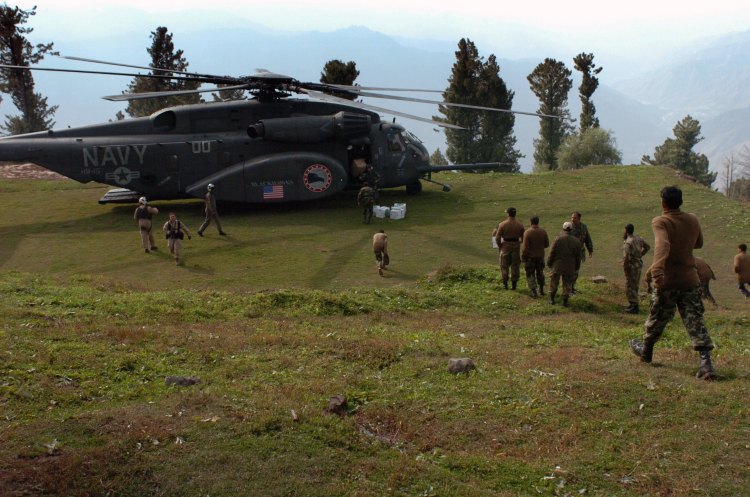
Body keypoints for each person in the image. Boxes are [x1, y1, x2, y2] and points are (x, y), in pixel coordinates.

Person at [629, 186, 716, 380]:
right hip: (690, 279)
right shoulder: (692, 219)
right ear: (681, 201)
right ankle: (706, 363)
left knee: (658, 316)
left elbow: (662, 245)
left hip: (668, 280)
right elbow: (699, 243)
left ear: (663, 203)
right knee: (695, 320)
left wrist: (657, 271)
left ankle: (646, 352)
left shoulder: (661, 221)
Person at [546, 221, 582, 307]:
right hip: (570, 266)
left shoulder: (558, 239)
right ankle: (565, 302)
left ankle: (551, 299)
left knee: (554, 282)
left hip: (557, 265)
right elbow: (578, 256)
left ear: (563, 229)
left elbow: (552, 252)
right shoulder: (576, 241)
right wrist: (577, 267)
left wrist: (549, 262)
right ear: (571, 230)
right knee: (567, 284)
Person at [493, 207, 525, 290]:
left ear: (508, 214)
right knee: (515, 266)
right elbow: (523, 237)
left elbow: (497, 237)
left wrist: (500, 245)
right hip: (516, 247)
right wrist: (519, 243)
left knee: (504, 266)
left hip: (505, 246)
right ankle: (514, 285)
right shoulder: (520, 224)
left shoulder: (502, 224)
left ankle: (505, 284)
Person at [622, 223, 651, 314]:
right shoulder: (639, 238)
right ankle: (632, 304)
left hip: (631, 266)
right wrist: (640, 255)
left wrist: (625, 266)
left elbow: (626, 257)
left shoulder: (628, 242)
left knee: (630, 285)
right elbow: (647, 247)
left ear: (626, 230)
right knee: (635, 284)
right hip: (638, 264)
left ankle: (634, 306)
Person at [520, 215, 549, 298]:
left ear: (530, 222)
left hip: (530, 257)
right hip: (540, 256)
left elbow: (525, 248)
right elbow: (546, 244)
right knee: (540, 273)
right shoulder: (543, 231)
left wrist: (523, 257)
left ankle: (533, 291)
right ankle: (542, 289)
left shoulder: (527, 232)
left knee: (530, 274)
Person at [569, 211, 593, 294]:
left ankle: (572, 287)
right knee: (570, 271)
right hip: (570, 253)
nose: (572, 219)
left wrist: (590, 249)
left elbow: (587, 238)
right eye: (572, 217)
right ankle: (569, 289)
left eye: (574, 218)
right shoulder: (568, 227)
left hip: (579, 253)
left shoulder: (583, 227)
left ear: (579, 218)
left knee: (576, 271)